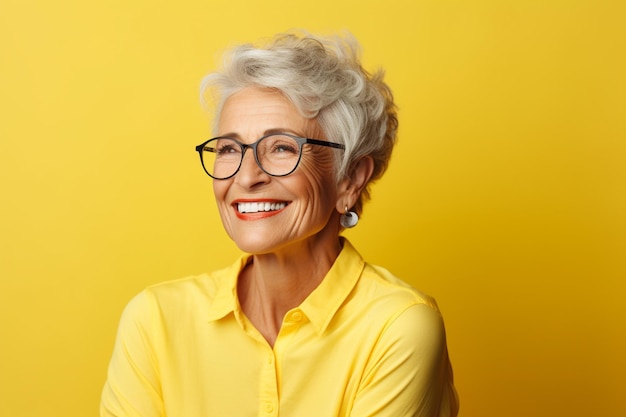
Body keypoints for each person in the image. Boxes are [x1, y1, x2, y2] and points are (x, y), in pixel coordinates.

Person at [100, 31, 459, 417]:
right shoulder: (155, 320)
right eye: (229, 149)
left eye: (282, 147)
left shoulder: (398, 327)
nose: (247, 176)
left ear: (349, 179)